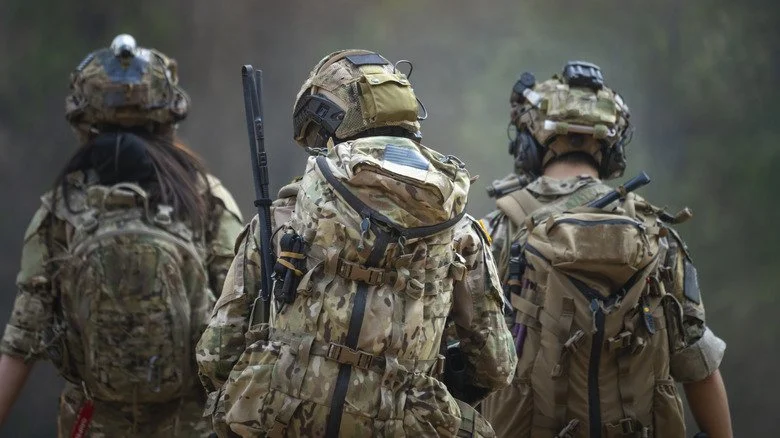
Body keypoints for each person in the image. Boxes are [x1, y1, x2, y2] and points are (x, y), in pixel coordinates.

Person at [196, 49, 517, 438]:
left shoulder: (284, 215)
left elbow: (215, 356)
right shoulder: (459, 230)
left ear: (327, 123)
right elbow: (496, 366)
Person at [0, 34, 244, 437]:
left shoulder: (62, 208)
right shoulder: (206, 198)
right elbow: (242, 318)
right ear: (168, 116)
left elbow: (20, 342)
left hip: (94, 423)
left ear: (83, 118)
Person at [479, 62, 733, 438]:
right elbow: (699, 364)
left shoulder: (499, 230)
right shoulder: (656, 233)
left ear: (531, 142)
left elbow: (462, 356)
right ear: (611, 147)